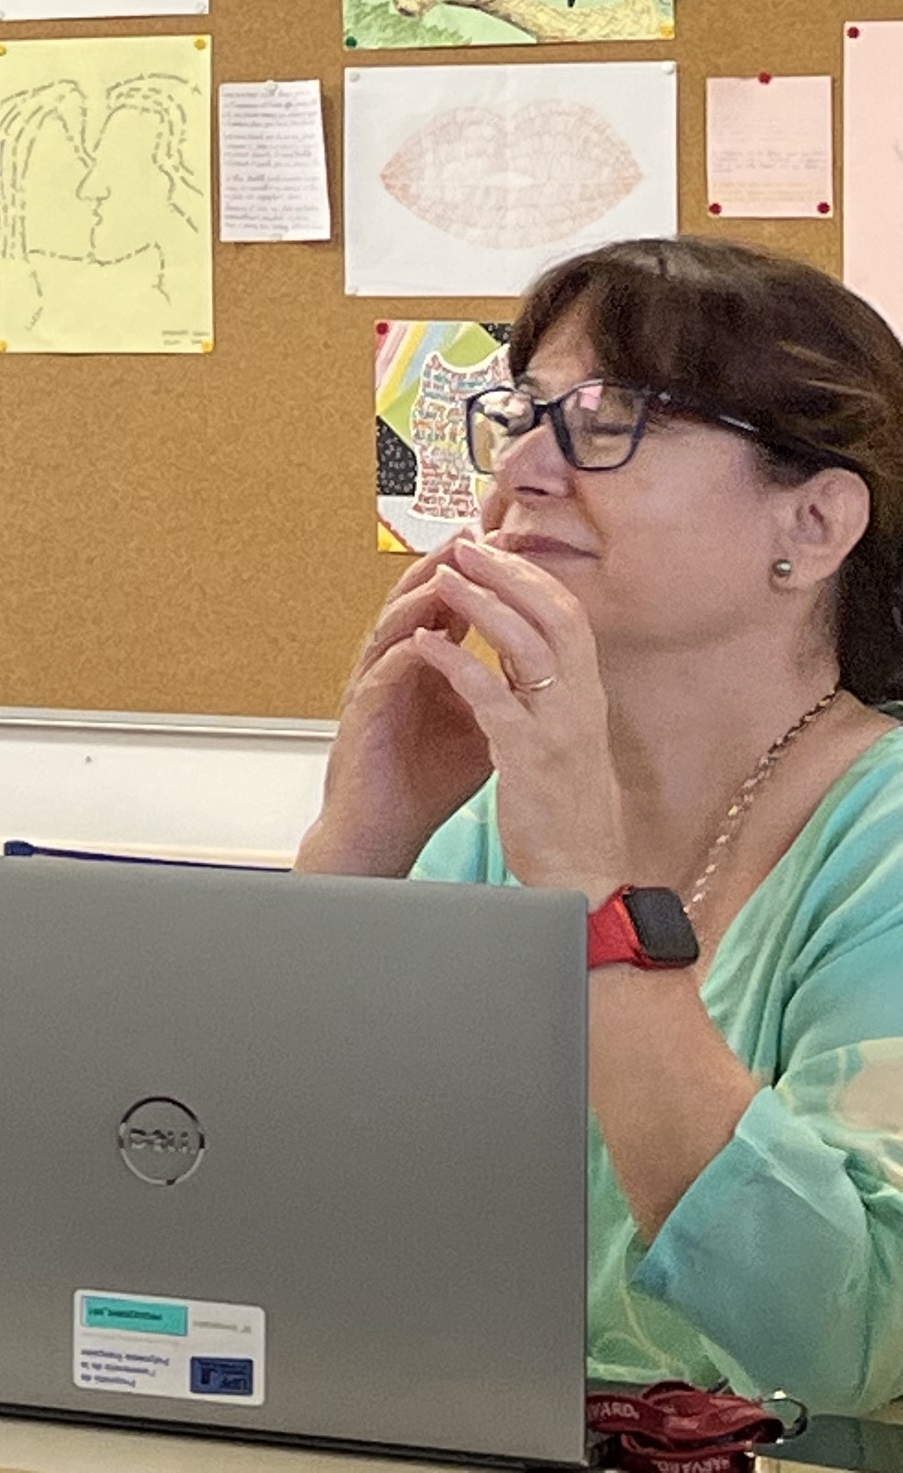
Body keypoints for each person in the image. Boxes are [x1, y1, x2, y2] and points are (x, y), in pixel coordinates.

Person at [299, 235, 903, 1412]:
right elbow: (253, 1210)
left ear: (815, 524)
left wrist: (598, 906)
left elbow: (849, 1342)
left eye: (609, 419)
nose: (525, 469)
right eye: (520, 416)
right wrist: (354, 853)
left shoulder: (879, 834)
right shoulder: (482, 815)